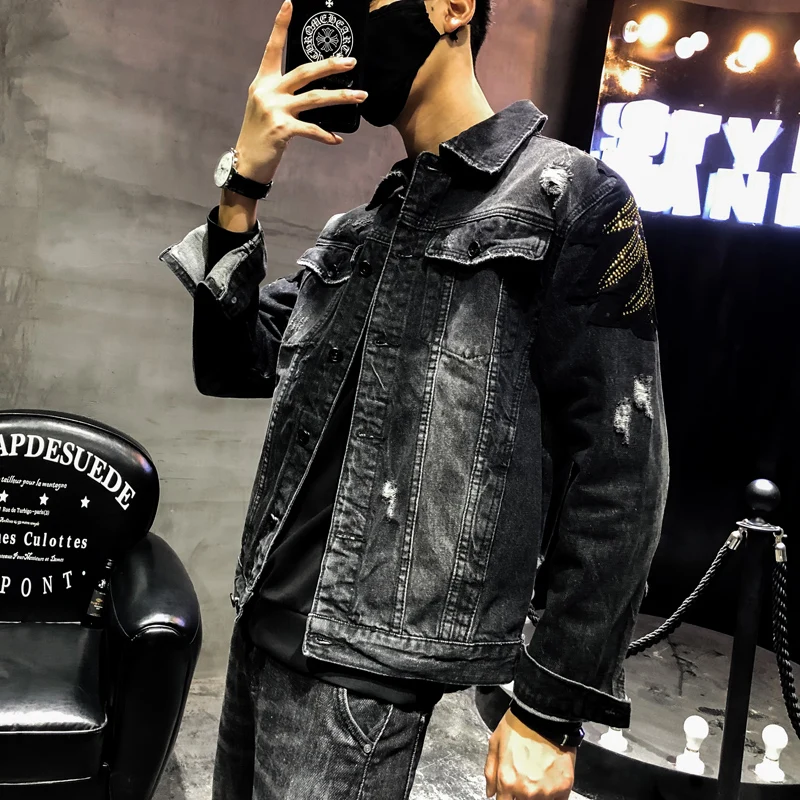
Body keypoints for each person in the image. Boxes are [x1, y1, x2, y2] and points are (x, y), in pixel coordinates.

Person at [160, 0, 669, 798]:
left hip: (364, 679)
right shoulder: (362, 230)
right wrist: (244, 185)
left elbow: (622, 472)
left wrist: (549, 709)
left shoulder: (568, 196)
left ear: (453, 7)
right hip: (262, 638)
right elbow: (230, 362)